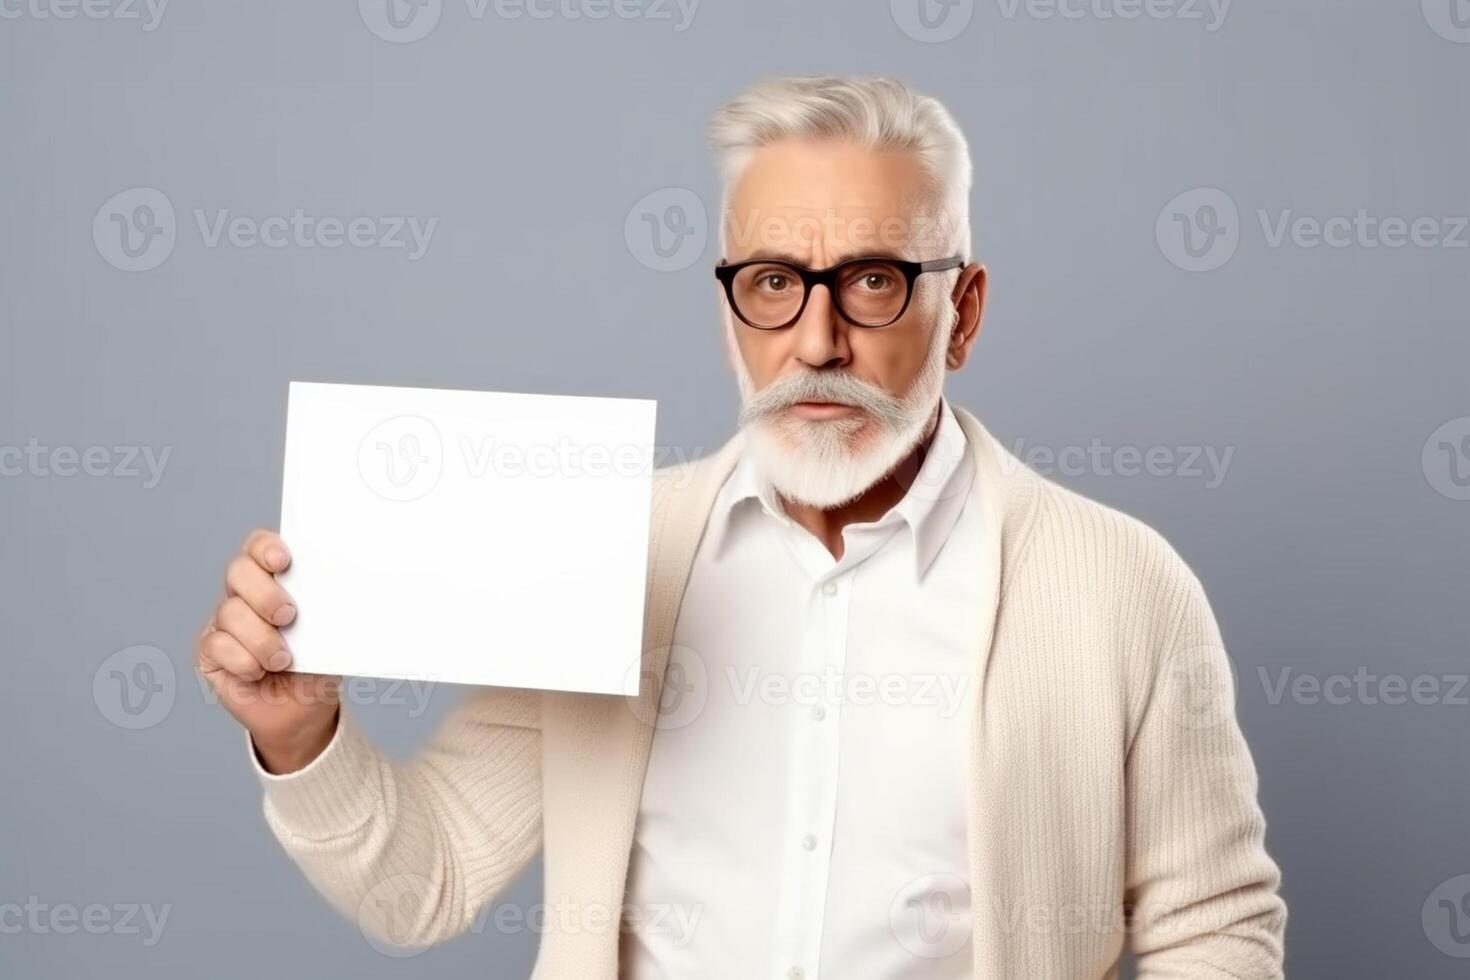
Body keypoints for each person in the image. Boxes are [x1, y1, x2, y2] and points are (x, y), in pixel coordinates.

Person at [196, 74, 1286, 979]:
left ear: (965, 312)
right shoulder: (607, 554)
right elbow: (425, 879)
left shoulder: (1120, 584)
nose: (816, 339)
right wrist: (300, 738)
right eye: (772, 281)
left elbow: (1215, 926)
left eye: (872, 280)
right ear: (729, 311)